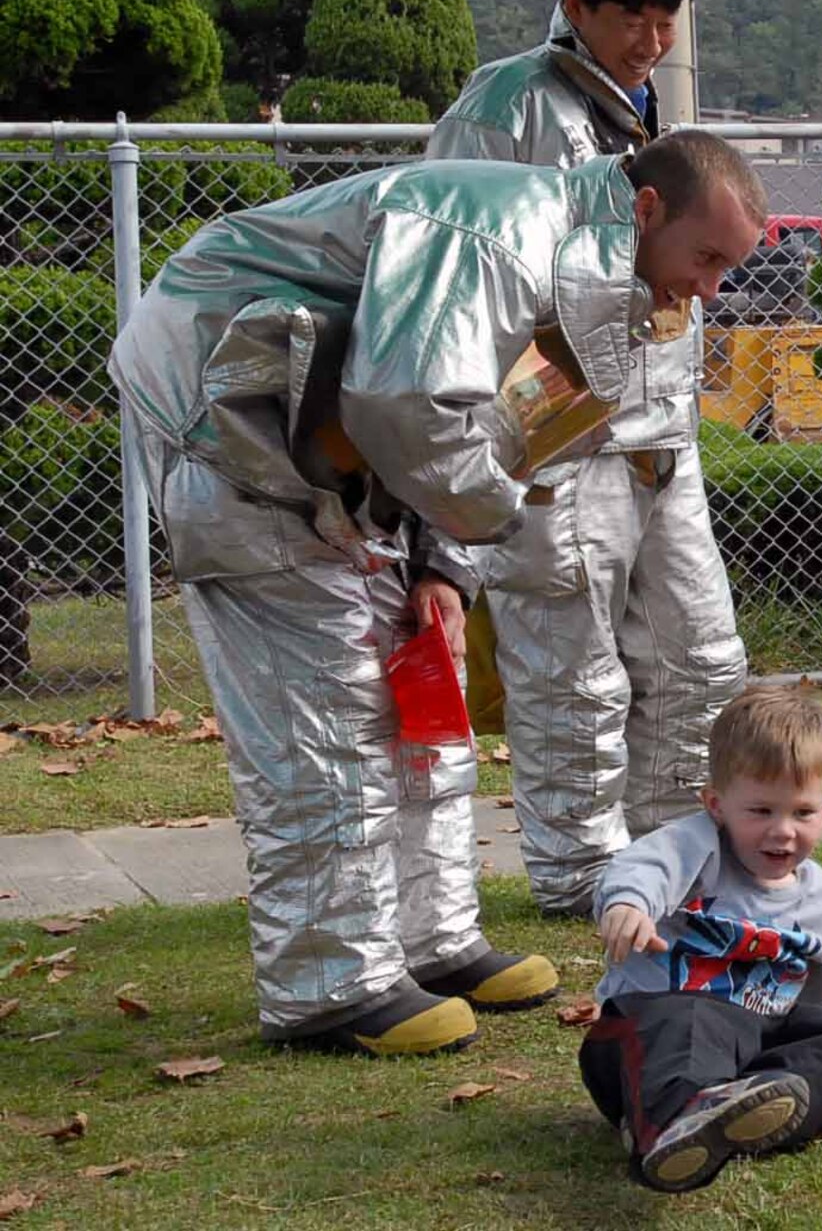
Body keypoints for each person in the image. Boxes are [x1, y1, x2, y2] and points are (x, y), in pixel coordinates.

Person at [108, 131, 763, 1056]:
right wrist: (476, 526)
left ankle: (433, 934)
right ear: (647, 209)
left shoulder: (592, 273)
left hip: (342, 446)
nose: (709, 291)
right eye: (706, 259)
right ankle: (330, 980)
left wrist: (445, 569)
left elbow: (483, 429)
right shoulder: (498, 231)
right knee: (331, 702)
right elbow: (407, 403)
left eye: (726, 269)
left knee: (420, 687)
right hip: (236, 423)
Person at [424, 0, 748, 918]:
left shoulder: (648, 110)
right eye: (631, 21)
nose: (650, 41)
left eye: (665, 24)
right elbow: (454, 264)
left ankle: (668, 850)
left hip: (659, 427)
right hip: (551, 424)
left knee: (701, 654)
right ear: (575, 7)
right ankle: (577, 873)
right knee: (572, 673)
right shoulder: (504, 105)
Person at [584, 687, 822, 1193]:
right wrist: (629, 904)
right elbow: (645, 866)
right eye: (759, 812)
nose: (782, 832)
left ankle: (753, 1116)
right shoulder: (697, 849)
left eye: (801, 813)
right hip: (649, 1044)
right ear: (716, 804)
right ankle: (677, 1124)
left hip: (751, 1057)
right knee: (688, 1017)